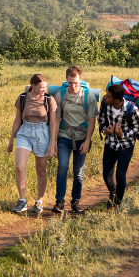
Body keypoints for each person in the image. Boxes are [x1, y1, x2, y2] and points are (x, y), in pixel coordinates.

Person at [7, 73, 59, 214]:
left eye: (45, 87)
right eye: (41, 87)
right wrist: (11, 139)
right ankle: (22, 200)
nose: (44, 89)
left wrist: (52, 143)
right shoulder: (23, 98)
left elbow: (53, 123)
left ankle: (39, 201)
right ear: (33, 86)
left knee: (41, 170)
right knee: (19, 167)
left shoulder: (49, 100)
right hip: (25, 132)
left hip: (42, 133)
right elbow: (17, 120)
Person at [50, 66, 99, 214]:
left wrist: (87, 141)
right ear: (66, 80)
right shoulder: (60, 95)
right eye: (70, 83)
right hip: (64, 135)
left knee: (78, 172)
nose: (72, 86)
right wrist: (53, 142)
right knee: (63, 167)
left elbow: (92, 121)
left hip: (82, 137)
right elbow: (56, 120)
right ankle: (59, 201)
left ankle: (75, 202)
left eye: (75, 83)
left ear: (80, 80)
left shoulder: (88, 96)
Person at [99, 83, 139, 208]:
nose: (105, 98)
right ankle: (113, 192)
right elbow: (100, 119)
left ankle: (116, 203)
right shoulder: (105, 103)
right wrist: (105, 130)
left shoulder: (132, 109)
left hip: (126, 145)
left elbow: (137, 127)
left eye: (108, 96)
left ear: (117, 100)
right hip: (110, 144)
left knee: (120, 175)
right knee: (106, 175)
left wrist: (122, 134)